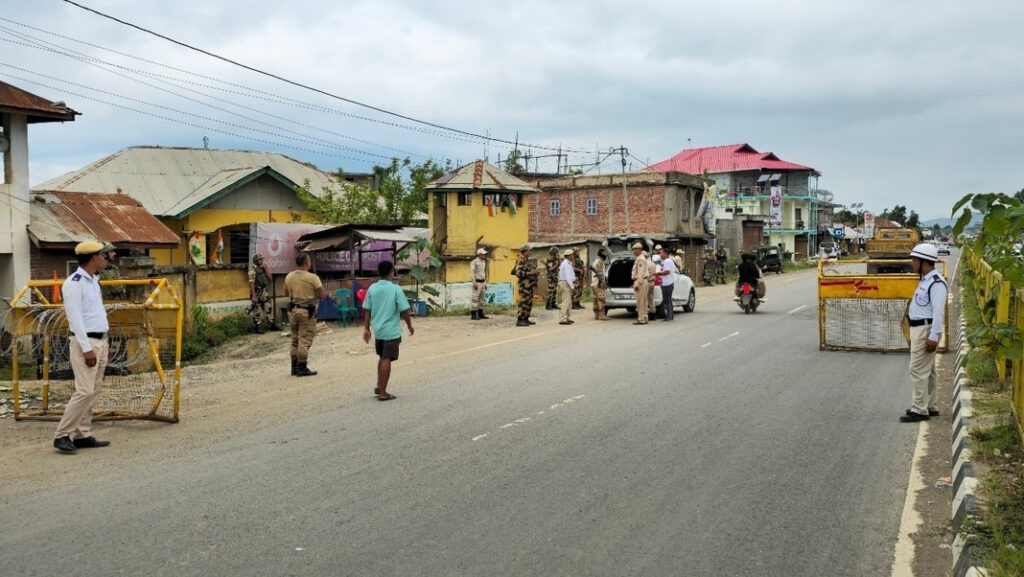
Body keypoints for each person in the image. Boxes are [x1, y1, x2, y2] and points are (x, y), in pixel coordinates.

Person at [53, 240, 113, 453]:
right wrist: (87, 348)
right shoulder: (74, 283)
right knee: (84, 391)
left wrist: (105, 344)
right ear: (93, 257)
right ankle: (62, 435)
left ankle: (82, 434)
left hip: (99, 340)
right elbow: (75, 318)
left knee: (93, 390)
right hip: (84, 342)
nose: (106, 258)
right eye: (102, 255)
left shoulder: (93, 280)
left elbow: (95, 314)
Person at [900, 243, 948, 423]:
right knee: (929, 370)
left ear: (924, 262)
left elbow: (938, 312)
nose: (912, 263)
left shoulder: (936, 283)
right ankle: (929, 405)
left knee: (917, 370)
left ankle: (919, 410)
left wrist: (933, 337)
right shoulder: (926, 280)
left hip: (925, 329)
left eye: (914, 260)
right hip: (919, 328)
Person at [362, 261, 415, 401]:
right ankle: (383, 393)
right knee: (386, 359)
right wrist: (409, 325)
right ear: (391, 272)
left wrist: (366, 328)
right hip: (391, 331)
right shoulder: (395, 289)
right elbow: (404, 309)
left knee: (382, 357)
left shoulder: (372, 288)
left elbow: (367, 309)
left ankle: (380, 386)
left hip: (378, 330)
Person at [284, 252, 325, 377]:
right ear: (307, 262)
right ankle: (302, 367)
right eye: (309, 261)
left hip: (292, 311)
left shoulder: (289, 276)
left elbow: (286, 293)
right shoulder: (313, 277)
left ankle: (294, 366)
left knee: (294, 339)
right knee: (305, 338)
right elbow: (322, 295)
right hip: (306, 311)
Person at [248, 253, 275, 333]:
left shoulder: (263, 268)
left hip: (263, 291)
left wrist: (266, 268)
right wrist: (253, 296)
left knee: (268, 307)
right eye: (260, 260)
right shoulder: (252, 270)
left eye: (262, 259)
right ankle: (257, 327)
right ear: (256, 261)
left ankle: (272, 324)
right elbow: (251, 283)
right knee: (256, 310)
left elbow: (270, 278)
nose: (262, 261)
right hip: (256, 292)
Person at [513, 244, 539, 327]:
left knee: (528, 302)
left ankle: (526, 318)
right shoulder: (520, 260)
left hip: (529, 285)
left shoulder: (526, 260)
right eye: (529, 250)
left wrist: (534, 272)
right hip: (524, 285)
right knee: (523, 302)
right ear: (525, 251)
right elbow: (518, 272)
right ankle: (520, 319)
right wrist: (529, 273)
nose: (530, 252)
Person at [631, 243, 650, 325]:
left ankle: (641, 318)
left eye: (635, 249)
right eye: (633, 249)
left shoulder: (640, 259)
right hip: (644, 281)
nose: (633, 251)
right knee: (644, 300)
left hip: (641, 281)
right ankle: (645, 317)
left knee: (640, 301)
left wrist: (637, 284)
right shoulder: (641, 258)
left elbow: (640, 273)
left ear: (639, 250)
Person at [657, 246, 678, 321]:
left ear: (665, 254)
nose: (660, 254)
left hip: (667, 284)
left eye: (661, 253)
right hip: (669, 283)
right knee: (668, 300)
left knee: (666, 301)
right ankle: (670, 315)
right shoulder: (669, 261)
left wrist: (658, 273)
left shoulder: (667, 261)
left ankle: (668, 316)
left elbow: (667, 271)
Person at [590, 247, 609, 321]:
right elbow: (600, 274)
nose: (605, 254)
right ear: (601, 253)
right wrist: (604, 283)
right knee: (601, 299)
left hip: (594, 283)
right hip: (598, 284)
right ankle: (601, 315)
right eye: (604, 253)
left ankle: (597, 315)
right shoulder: (599, 262)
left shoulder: (596, 262)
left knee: (596, 300)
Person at [469, 247, 489, 320]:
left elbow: (483, 273)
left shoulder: (483, 262)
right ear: (479, 254)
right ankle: (473, 313)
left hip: (482, 282)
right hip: (477, 282)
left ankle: (480, 313)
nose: (484, 255)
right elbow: (472, 273)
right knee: (475, 298)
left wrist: (485, 283)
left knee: (482, 298)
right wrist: (474, 282)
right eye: (483, 254)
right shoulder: (474, 262)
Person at [557, 248, 576, 325]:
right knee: (566, 301)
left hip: (566, 283)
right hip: (565, 283)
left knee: (568, 302)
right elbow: (568, 277)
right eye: (572, 255)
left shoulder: (568, 263)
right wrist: (572, 287)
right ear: (568, 256)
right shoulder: (566, 264)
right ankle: (563, 318)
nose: (573, 256)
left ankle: (567, 317)